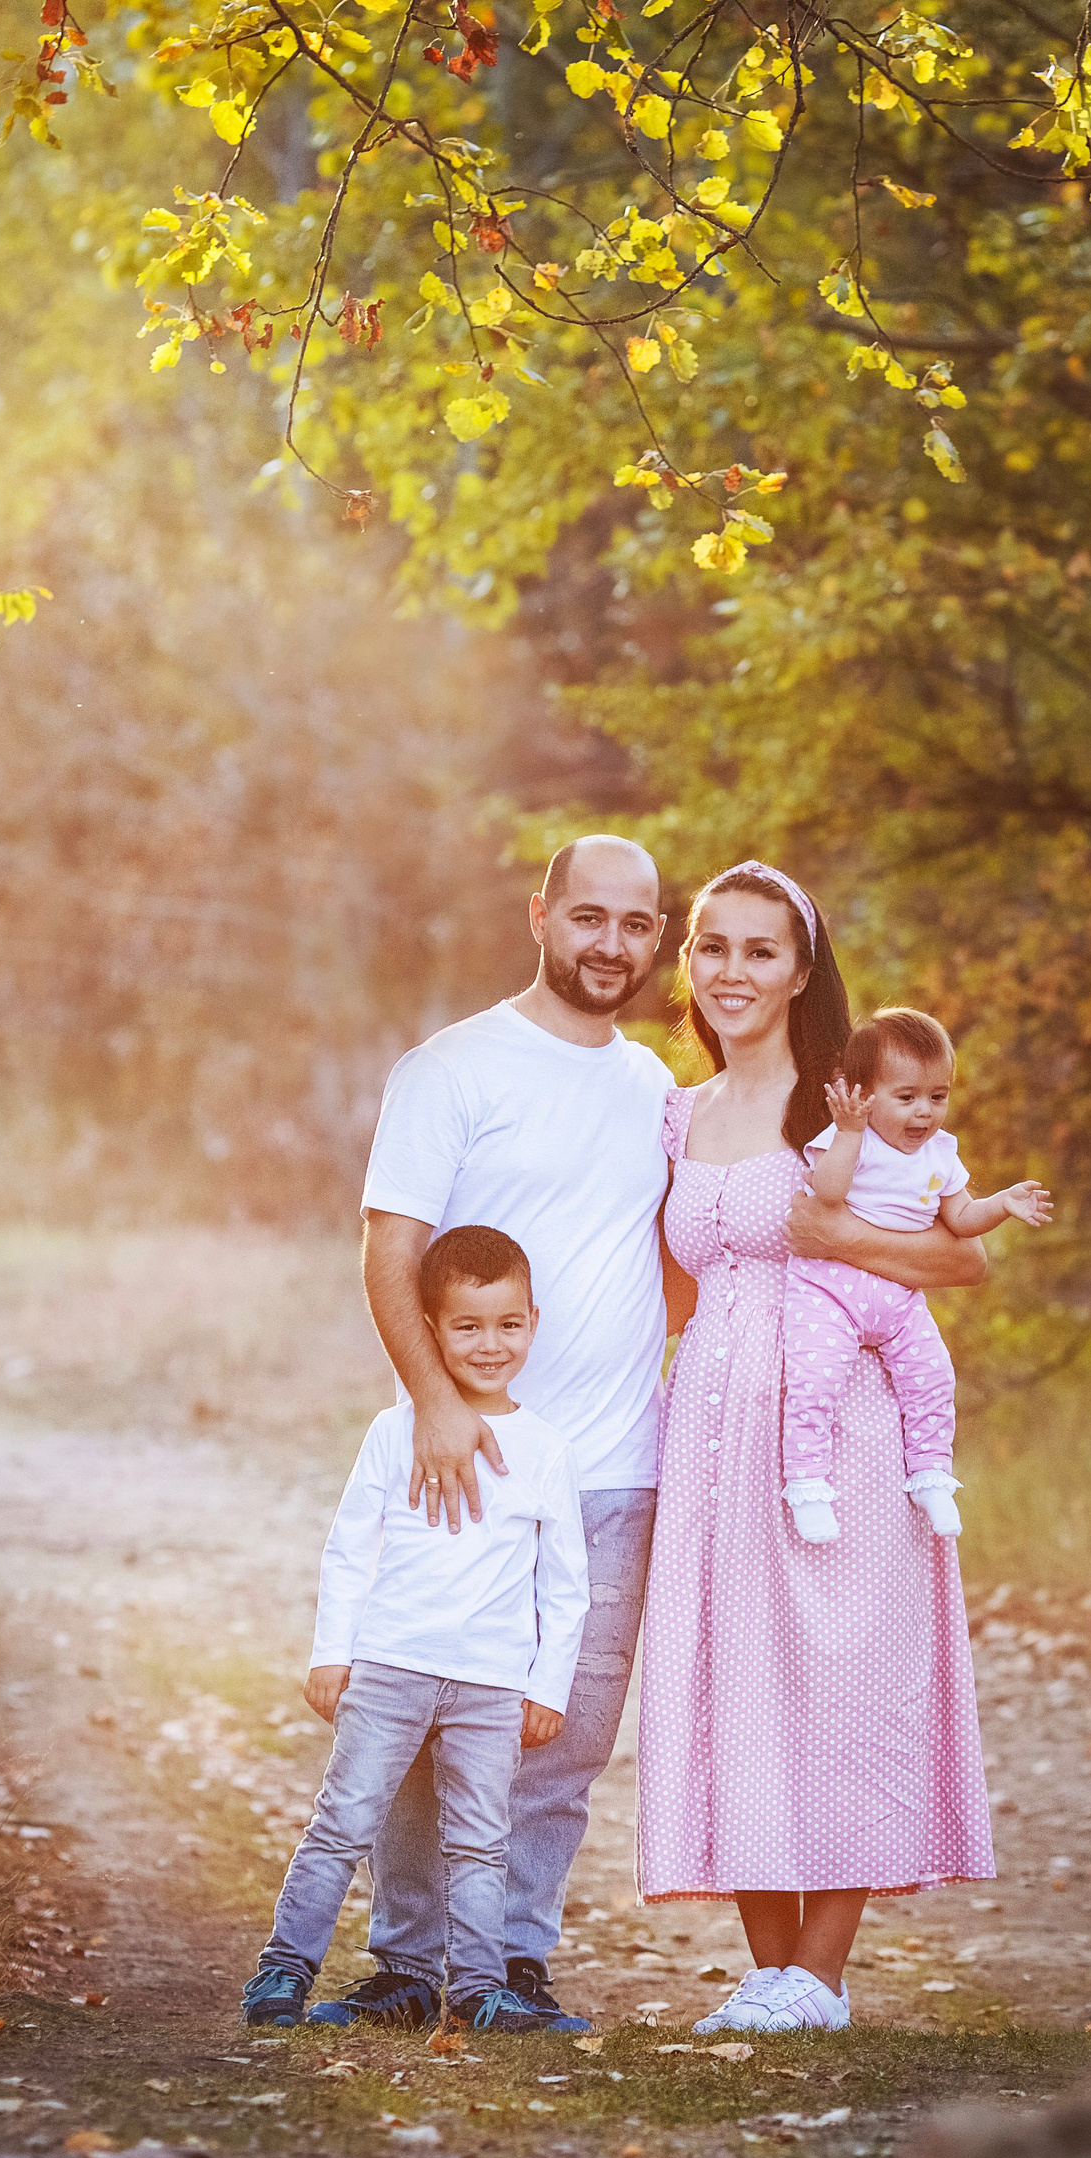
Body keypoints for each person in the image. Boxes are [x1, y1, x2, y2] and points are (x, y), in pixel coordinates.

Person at [634, 862, 997, 2035]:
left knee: (845, 1671)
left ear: (801, 971)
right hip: (708, 1424)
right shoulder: (677, 1114)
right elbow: (668, 1288)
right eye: (713, 947)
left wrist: (831, 1231)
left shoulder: (847, 1104)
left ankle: (824, 1974)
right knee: (732, 1670)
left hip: (837, 1420)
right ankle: (772, 1970)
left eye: (759, 950)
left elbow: (959, 1259)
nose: (731, 971)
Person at [332, 834, 673, 2032]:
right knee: (434, 1726)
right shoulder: (453, 1068)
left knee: (562, 1741)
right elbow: (390, 1249)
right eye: (589, 917)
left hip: (617, 1466)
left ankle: (513, 1964)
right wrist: (433, 1400)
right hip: (469, 1457)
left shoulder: (654, 1092)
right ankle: (410, 1965)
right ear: (539, 915)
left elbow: (666, 1267)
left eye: (636, 925)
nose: (611, 945)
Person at [239, 1226, 589, 2033]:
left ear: (534, 1320)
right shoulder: (392, 1433)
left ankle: (477, 1990)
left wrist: (545, 1687)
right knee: (344, 1819)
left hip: (492, 1683)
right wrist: (333, 1655)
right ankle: (282, 1972)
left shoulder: (546, 1451)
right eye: (467, 1326)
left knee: (478, 1841)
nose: (491, 1344)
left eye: (508, 1324)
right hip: (391, 1663)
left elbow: (565, 1587)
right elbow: (350, 1549)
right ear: (431, 1329)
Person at [783, 1007, 1053, 1544]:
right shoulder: (850, 1141)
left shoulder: (940, 1155)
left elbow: (961, 1220)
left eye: (937, 1096)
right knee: (815, 1383)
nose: (924, 1113)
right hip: (829, 1289)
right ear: (863, 1094)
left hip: (900, 1297)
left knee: (932, 1378)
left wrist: (1001, 1203)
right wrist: (848, 1131)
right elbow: (829, 1194)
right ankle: (808, 1483)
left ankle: (931, 1474)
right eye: (906, 1097)